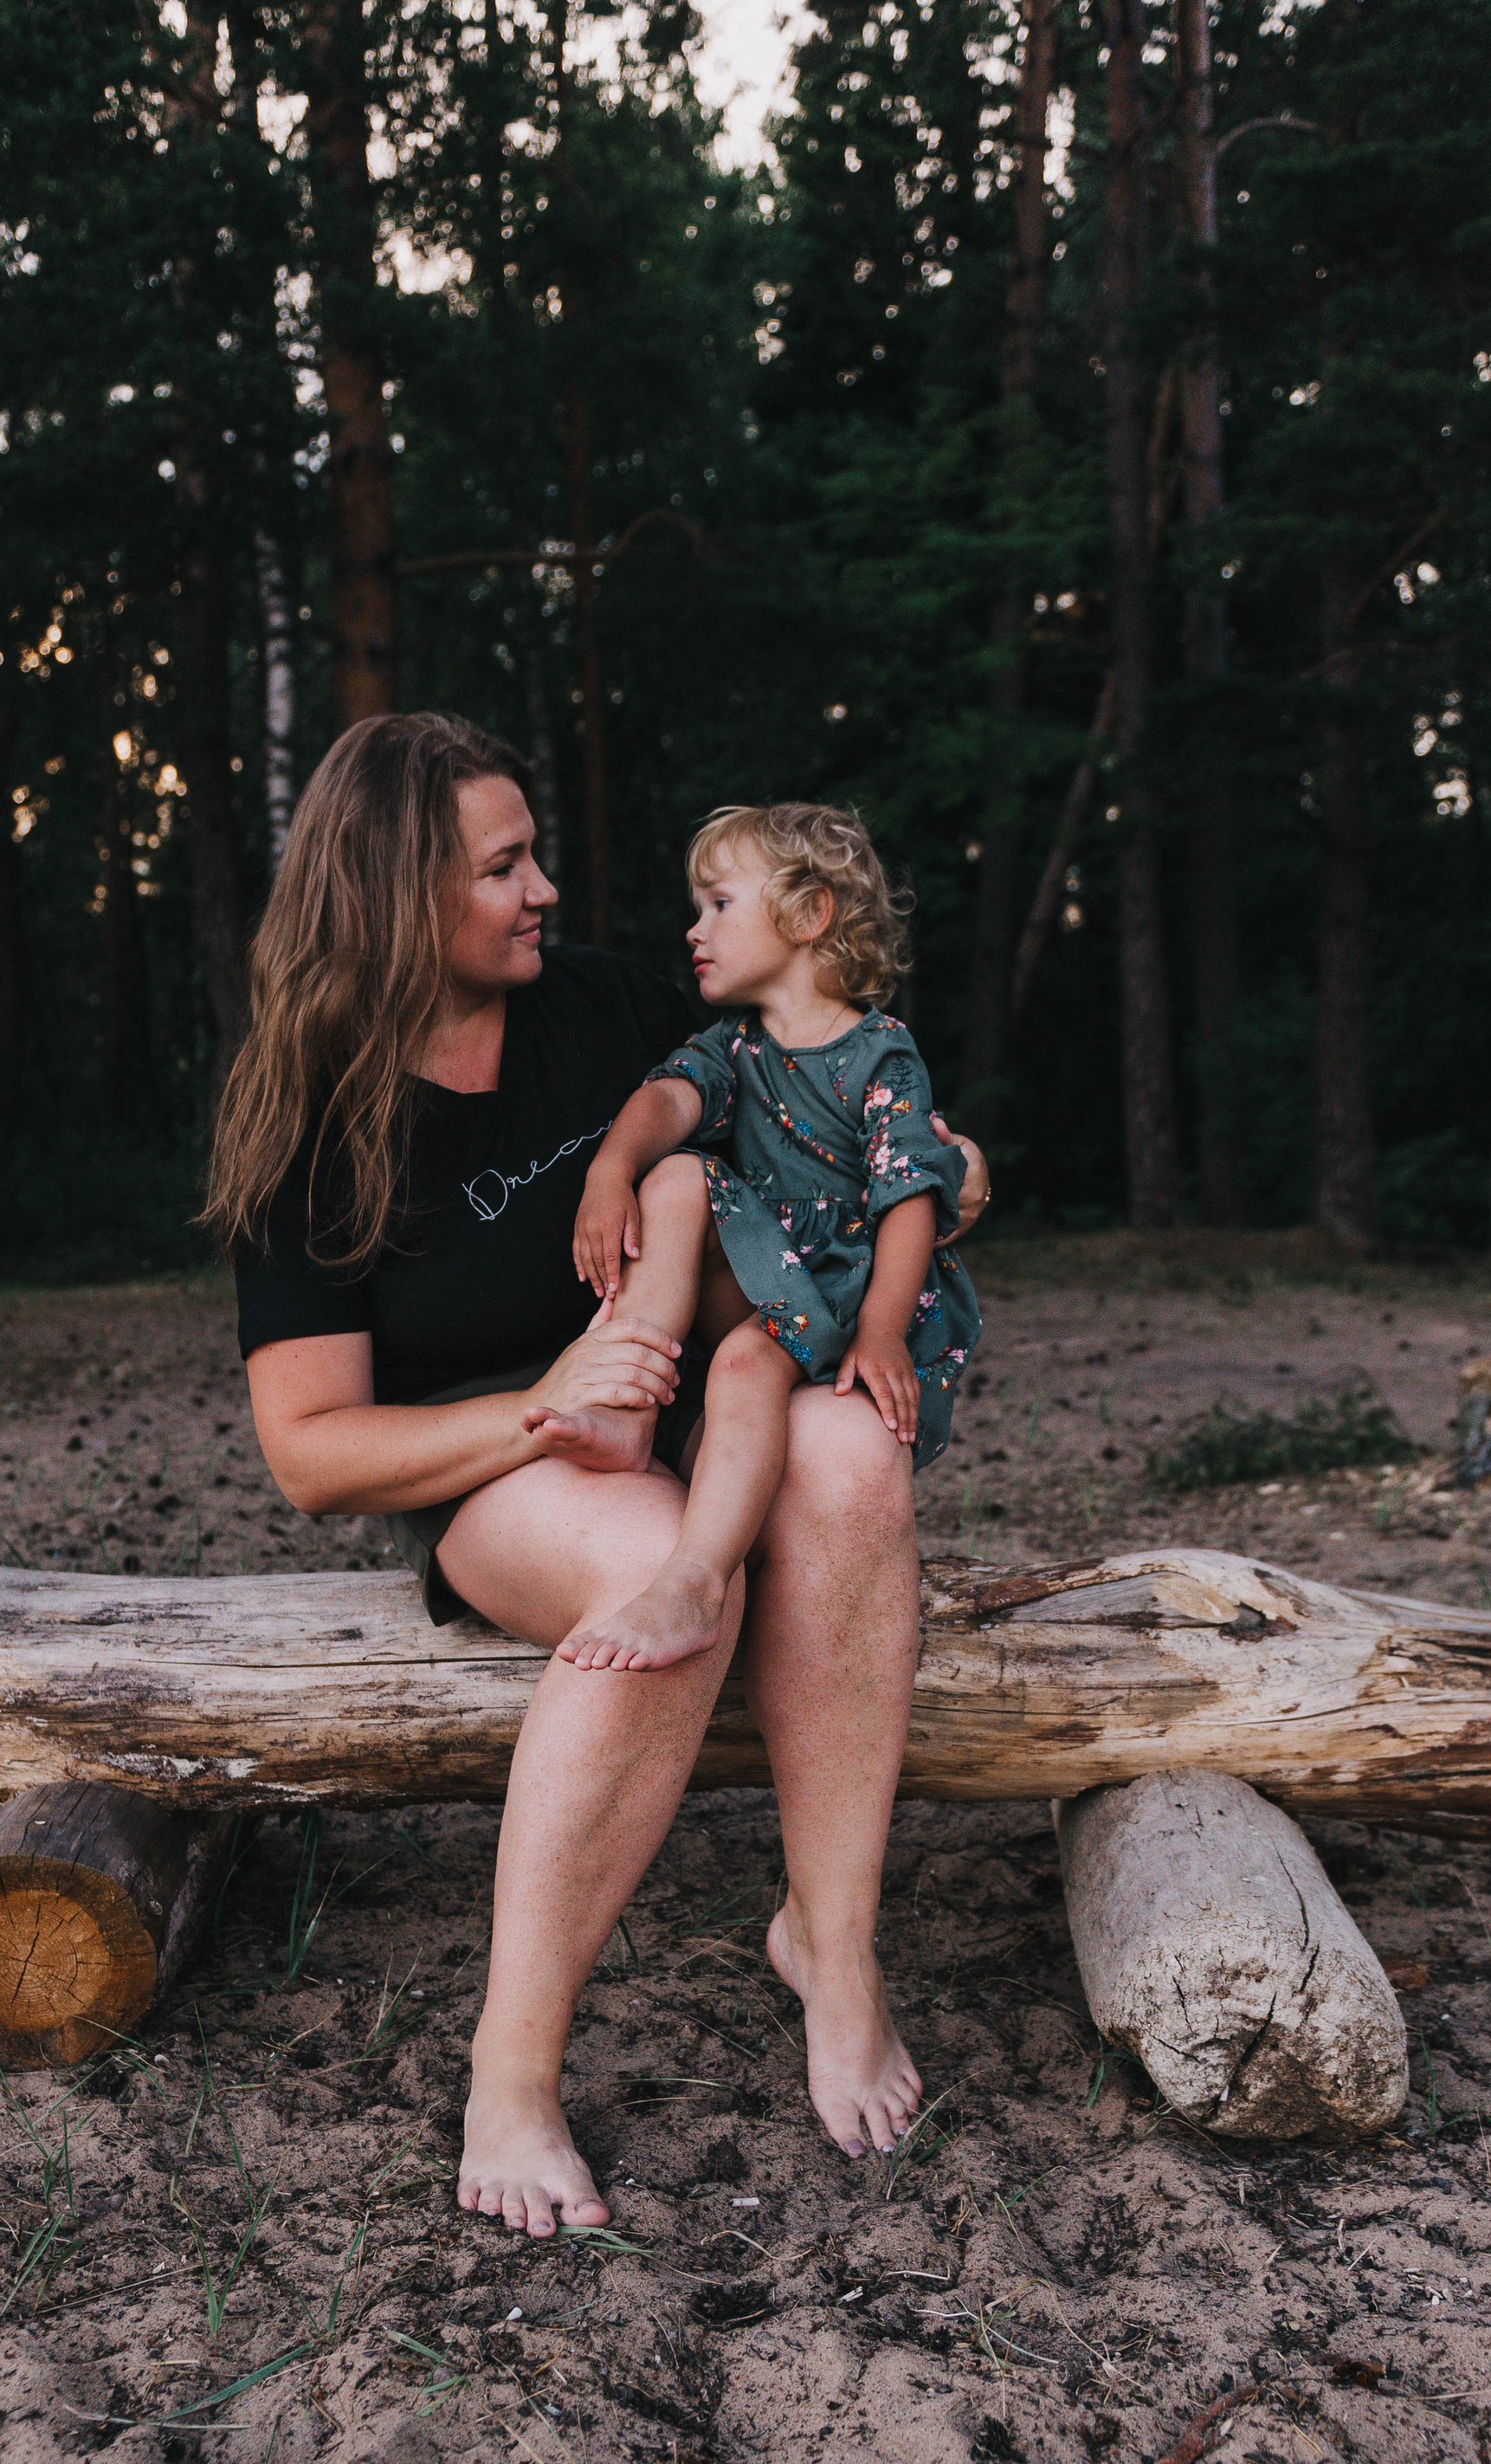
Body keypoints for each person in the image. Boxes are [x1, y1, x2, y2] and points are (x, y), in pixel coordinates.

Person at [212, 715, 988, 2237]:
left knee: (845, 1446)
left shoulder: (610, 1008)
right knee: (651, 1559)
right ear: (393, 893)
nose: (545, 889)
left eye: (534, 856)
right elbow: (310, 1451)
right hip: (496, 1462)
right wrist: (541, 1406)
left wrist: (954, 1174)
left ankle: (833, 1945)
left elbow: (862, 1122)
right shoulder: (313, 1112)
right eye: (505, 867)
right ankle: (513, 2063)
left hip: (713, 1397)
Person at [533, 801, 981, 1674]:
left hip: (858, 1286)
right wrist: (609, 1169)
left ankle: (694, 1580)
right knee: (673, 1174)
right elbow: (667, 1099)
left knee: (743, 1364)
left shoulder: (882, 1053)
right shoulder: (734, 1047)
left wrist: (885, 1329)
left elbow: (910, 1198)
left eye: (718, 904)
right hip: (775, 1270)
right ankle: (629, 1405)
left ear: (810, 914)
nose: (694, 929)